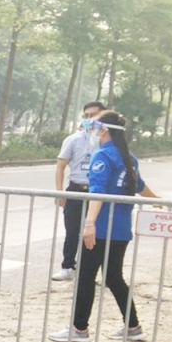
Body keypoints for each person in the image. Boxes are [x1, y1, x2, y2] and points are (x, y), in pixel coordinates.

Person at [50, 112, 156, 342]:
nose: (93, 132)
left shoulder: (102, 156)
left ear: (104, 130)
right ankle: (133, 326)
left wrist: (89, 224)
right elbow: (139, 186)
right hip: (121, 229)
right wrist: (158, 200)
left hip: (100, 228)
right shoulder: (129, 157)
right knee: (113, 277)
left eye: (95, 127)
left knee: (86, 277)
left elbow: (96, 192)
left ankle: (79, 329)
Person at [52, 101, 105, 281]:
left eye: (95, 115)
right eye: (87, 115)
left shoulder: (105, 141)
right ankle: (68, 267)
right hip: (76, 189)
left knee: (96, 232)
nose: (90, 119)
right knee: (72, 231)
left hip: (97, 191)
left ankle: (92, 272)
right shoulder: (73, 140)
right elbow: (60, 166)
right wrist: (60, 193)